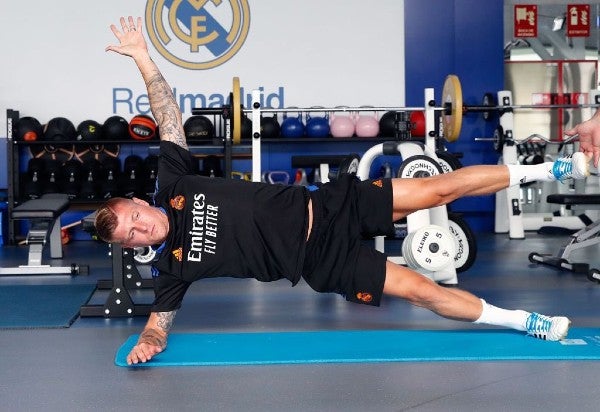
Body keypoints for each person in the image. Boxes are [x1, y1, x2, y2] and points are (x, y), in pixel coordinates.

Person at [97, 17, 592, 365]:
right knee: (423, 292)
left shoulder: (174, 181)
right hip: (320, 262)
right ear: (131, 248)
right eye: (132, 237)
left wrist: (142, 56)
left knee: (441, 190)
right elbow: (159, 323)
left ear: (140, 202)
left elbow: (167, 115)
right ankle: (525, 321)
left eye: (134, 217)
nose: (142, 228)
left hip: (330, 203)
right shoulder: (172, 267)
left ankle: (554, 167)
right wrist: (148, 340)